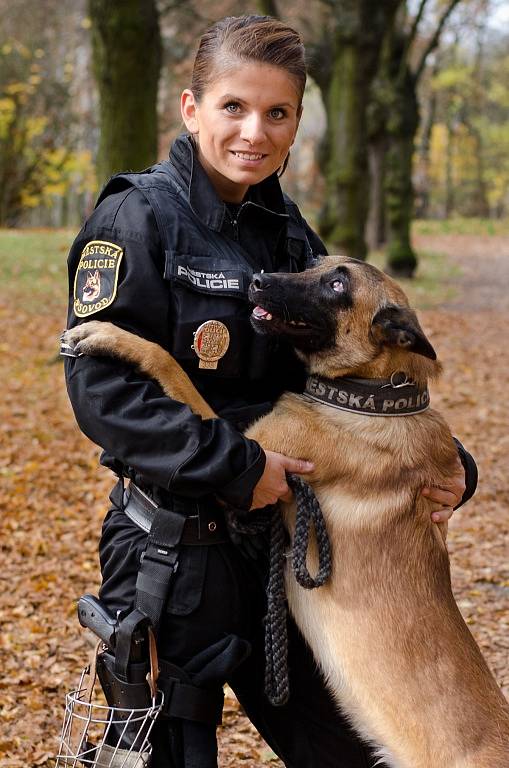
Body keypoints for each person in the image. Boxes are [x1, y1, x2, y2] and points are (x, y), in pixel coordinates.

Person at [64, 15, 477, 768]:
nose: (254, 131)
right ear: (191, 110)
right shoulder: (136, 219)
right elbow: (106, 398)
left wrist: (449, 467)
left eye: (276, 113)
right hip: (173, 556)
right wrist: (240, 467)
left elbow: (354, 373)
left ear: (293, 124)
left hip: (287, 558)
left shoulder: (288, 235)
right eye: (233, 107)